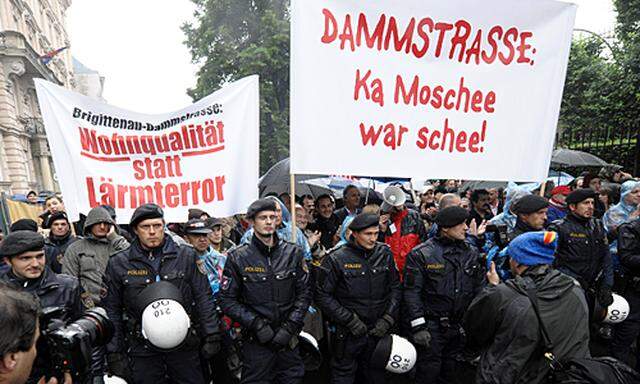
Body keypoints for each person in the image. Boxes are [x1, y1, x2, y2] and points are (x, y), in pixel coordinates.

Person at [102, 204, 222, 384]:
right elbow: (112, 310)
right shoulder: (119, 263)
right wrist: (114, 352)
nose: (152, 232)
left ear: (163, 226)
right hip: (142, 348)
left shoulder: (186, 256)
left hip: (184, 345)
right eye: (146, 227)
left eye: (157, 226)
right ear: (135, 230)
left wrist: (212, 334)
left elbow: (203, 296)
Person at [464, 231, 590, 384]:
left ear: (517, 262)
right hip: (566, 376)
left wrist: (491, 288)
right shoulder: (575, 289)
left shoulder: (505, 295)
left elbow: (474, 330)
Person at [219, 199, 311, 384]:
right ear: (252, 221)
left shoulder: (293, 253)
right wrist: (256, 324)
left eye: (272, 217)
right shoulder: (238, 257)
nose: (269, 222)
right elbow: (227, 300)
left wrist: (290, 326)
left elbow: (304, 294)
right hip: (256, 343)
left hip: (288, 341)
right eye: (263, 218)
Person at [315, 213, 401, 384]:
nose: (372, 239)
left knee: (376, 376)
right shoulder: (336, 258)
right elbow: (322, 295)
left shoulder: (384, 253)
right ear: (354, 233)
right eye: (368, 234)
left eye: (376, 234)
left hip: (378, 330)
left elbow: (396, 288)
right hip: (348, 333)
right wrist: (349, 320)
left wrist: (388, 318)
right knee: (343, 376)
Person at [403, 206, 484, 383]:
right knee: (428, 372)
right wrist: (419, 327)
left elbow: (479, 289)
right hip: (432, 326)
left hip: (459, 326)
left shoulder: (471, 253)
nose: (466, 228)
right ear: (445, 228)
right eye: (460, 223)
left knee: (452, 373)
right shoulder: (421, 254)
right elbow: (411, 292)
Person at [0, 231, 83, 384]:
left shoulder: (68, 287)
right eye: (25, 258)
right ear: (8, 260)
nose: (35, 264)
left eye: (39, 256)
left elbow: (85, 332)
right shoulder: (3, 295)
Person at [548, 189, 614, 317]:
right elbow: (551, 261)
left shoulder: (597, 225)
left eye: (592, 203)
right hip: (568, 287)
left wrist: (607, 284)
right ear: (573, 206)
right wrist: (572, 279)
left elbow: (606, 256)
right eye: (585, 203)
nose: (590, 207)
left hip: (593, 287)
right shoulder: (558, 227)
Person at [62, 207, 129, 309]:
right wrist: (86, 303)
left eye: (106, 223)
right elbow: (69, 280)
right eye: (98, 223)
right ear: (90, 225)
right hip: (89, 307)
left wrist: (114, 237)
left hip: (120, 306)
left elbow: (132, 259)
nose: (102, 227)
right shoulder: (75, 248)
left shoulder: (117, 245)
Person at [381, 188, 428, 275]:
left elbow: (423, 244)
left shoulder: (414, 217)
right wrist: (381, 231)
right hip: (391, 272)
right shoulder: (384, 220)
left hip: (411, 271)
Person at [183, 219, 227, 302]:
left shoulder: (220, 258)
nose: (202, 239)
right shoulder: (179, 261)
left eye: (205, 235)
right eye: (196, 235)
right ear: (186, 238)